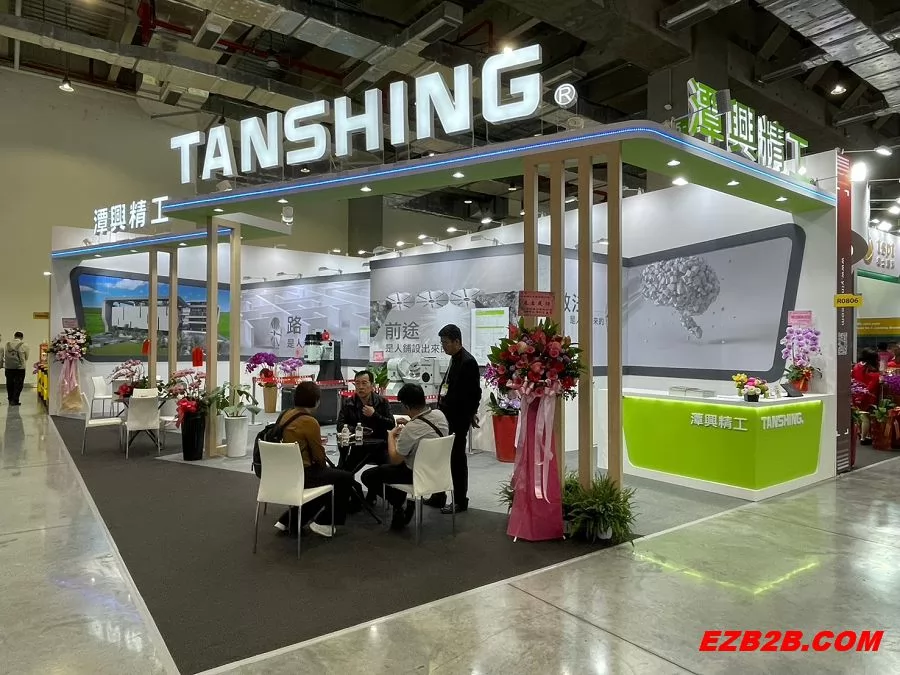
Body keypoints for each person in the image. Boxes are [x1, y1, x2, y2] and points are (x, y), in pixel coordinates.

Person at [361, 384, 449, 530]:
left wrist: (391, 436)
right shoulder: (439, 415)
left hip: (416, 474)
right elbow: (427, 431)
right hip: (439, 472)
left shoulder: (411, 429)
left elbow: (395, 459)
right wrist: (409, 424)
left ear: (406, 406)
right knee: (388, 470)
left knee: (368, 476)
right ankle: (399, 506)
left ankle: (398, 504)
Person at [274, 381, 354, 538]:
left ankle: (289, 520)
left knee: (329, 479)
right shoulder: (309, 422)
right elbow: (319, 456)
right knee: (344, 478)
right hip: (302, 473)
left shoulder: (285, 415)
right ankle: (324, 522)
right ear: (316, 400)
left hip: (282, 472)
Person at [424, 323, 481, 514]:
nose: (443, 346)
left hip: (458, 419)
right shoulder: (454, 359)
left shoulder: (468, 362)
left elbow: (474, 393)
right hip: (445, 416)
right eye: (442, 342)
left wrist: (471, 414)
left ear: (457, 341)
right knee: (440, 456)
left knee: (457, 460)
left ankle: (460, 500)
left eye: (446, 342)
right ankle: (438, 495)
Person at [336, 370, 395, 504]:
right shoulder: (349, 403)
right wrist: (359, 430)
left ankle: (384, 498)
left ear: (372, 385)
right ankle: (354, 497)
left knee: (389, 470)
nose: (360, 387)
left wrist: (375, 415)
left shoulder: (382, 402)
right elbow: (340, 425)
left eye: (364, 383)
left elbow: (391, 424)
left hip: (380, 447)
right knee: (343, 471)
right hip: (358, 447)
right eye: (357, 383)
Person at [852, 349, 881, 445]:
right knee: (866, 417)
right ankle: (863, 438)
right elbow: (871, 386)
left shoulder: (857, 366)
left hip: (856, 393)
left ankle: (862, 434)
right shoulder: (873, 371)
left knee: (860, 416)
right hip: (867, 396)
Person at [3, 332, 29, 406]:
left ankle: (10, 398)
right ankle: (15, 400)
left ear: (14, 336)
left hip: (8, 367)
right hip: (20, 368)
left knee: (9, 383)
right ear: (22, 337)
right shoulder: (24, 345)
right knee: (18, 384)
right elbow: (26, 357)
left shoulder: (7, 344)